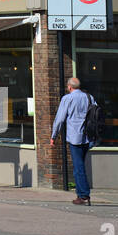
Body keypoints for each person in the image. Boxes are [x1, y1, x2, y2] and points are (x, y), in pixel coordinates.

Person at [50, 76, 96, 205]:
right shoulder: (89, 97)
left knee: (78, 167)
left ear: (69, 87)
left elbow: (59, 119)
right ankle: (82, 194)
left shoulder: (68, 98)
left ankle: (84, 196)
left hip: (75, 138)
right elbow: (96, 114)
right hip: (88, 137)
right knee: (79, 166)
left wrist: (53, 136)